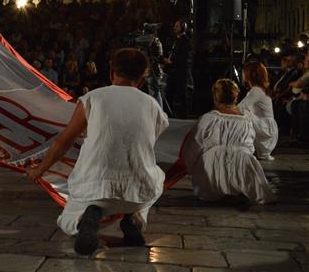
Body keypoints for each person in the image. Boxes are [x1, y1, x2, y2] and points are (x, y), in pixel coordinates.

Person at [27, 48, 169, 255]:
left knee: (67, 220)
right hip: (138, 190)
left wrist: (39, 170)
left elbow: (64, 141)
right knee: (158, 176)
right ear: (141, 80)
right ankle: (135, 218)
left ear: (111, 73)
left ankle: (85, 218)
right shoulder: (152, 105)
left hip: (94, 186)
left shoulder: (93, 98)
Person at [182, 79, 275, 204]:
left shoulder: (208, 119)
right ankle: (239, 185)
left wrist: (191, 168)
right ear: (235, 97)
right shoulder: (246, 120)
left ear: (215, 97)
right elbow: (249, 147)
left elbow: (193, 147)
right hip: (241, 164)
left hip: (212, 168)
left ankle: (217, 186)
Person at [238, 62, 279, 160]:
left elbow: (239, 108)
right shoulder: (260, 89)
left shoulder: (256, 90)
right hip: (266, 127)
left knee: (244, 113)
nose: (242, 74)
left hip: (266, 129)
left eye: (244, 72)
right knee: (244, 112)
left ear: (250, 74)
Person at [165, 20, 194, 118]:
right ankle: (170, 114)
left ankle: (184, 115)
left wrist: (171, 61)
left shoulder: (186, 41)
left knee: (182, 94)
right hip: (174, 72)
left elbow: (185, 58)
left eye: (177, 26)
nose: (174, 28)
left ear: (183, 27)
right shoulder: (176, 40)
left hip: (181, 72)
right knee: (169, 93)